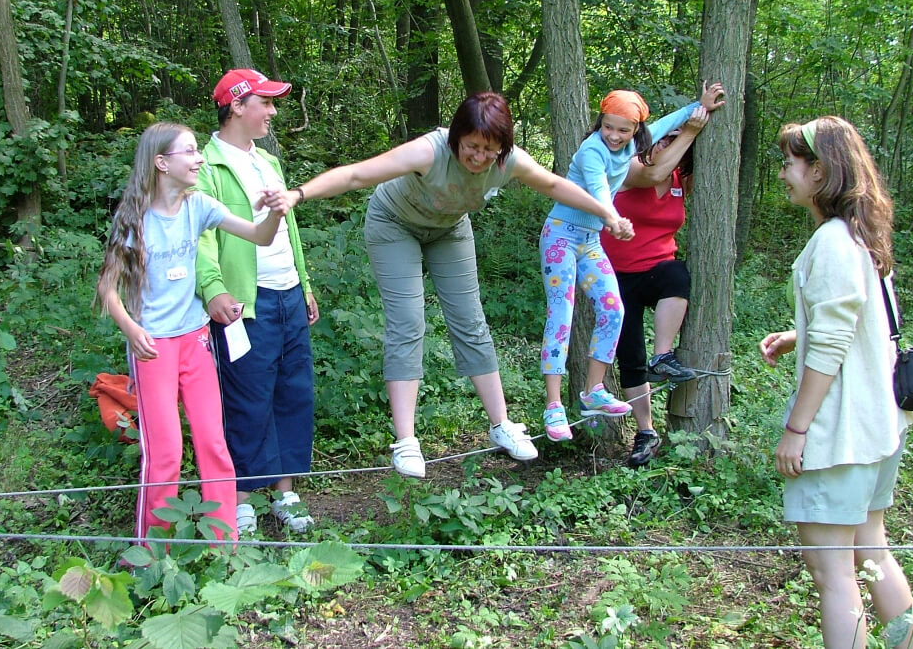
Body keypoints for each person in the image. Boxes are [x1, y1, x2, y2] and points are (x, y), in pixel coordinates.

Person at [281, 91, 633, 478]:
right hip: (394, 224)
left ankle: (501, 424)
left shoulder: (509, 160)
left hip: (449, 228)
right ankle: (406, 441)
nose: (480, 157)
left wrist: (605, 212)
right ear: (456, 138)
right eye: (472, 147)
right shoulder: (429, 151)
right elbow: (355, 174)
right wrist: (299, 194)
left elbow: (553, 186)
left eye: (490, 149)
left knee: (471, 321)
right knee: (408, 322)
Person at [758, 116, 913, 648]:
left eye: (790, 162)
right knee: (873, 551)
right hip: (879, 427)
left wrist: (797, 428)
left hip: (841, 435)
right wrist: (796, 334)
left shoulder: (831, 240)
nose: (784, 173)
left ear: (821, 171)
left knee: (835, 576)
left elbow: (833, 344)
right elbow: (857, 323)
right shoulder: (862, 234)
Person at [96, 122, 289, 541]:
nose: (199, 158)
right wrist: (132, 329)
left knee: (213, 444)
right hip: (153, 349)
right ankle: (154, 550)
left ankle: (225, 544)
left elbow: (258, 235)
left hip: (196, 340)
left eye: (198, 151)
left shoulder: (199, 205)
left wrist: (275, 213)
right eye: (189, 152)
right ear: (162, 163)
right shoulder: (134, 219)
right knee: (165, 453)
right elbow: (107, 290)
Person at [539, 88, 715, 443]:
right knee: (562, 314)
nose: (615, 136)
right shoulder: (592, 151)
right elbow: (599, 191)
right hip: (561, 236)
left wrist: (700, 108)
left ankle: (594, 391)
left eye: (624, 130)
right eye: (608, 127)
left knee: (613, 310)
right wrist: (614, 220)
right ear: (600, 123)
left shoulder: (635, 144)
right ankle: (554, 405)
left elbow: (669, 122)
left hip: (589, 241)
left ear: (636, 130)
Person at [195, 69, 319, 536]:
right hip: (245, 304)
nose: (271, 112)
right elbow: (201, 235)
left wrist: (304, 283)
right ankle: (240, 497)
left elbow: (288, 228)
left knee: (293, 392)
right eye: (264, 103)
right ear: (236, 107)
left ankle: (285, 492)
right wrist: (212, 287)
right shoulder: (205, 166)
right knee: (247, 397)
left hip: (288, 295)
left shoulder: (268, 161)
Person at [599, 82, 725, 466]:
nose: (662, 147)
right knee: (628, 354)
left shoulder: (679, 182)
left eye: (670, 142)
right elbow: (652, 174)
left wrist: (697, 117)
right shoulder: (629, 168)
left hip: (656, 269)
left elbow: (672, 178)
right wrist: (689, 127)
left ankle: (664, 356)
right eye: (659, 141)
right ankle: (645, 431)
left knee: (677, 276)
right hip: (617, 275)